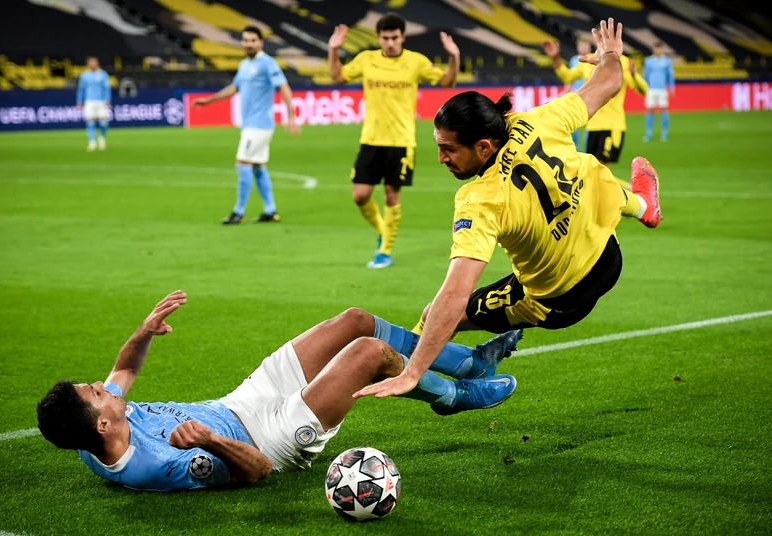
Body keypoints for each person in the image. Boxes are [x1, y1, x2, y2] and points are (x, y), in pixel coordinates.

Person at [356, 19, 662, 401]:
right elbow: (609, 82)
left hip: (559, 299)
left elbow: (455, 294)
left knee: (436, 315)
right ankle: (642, 205)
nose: (441, 158)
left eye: (449, 149)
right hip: (609, 257)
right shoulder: (539, 120)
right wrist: (612, 55)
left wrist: (413, 370)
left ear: (484, 147)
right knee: (589, 173)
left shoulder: (480, 198)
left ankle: (451, 393)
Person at [37, 290, 523, 491]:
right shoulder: (157, 464)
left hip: (240, 401)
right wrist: (211, 441)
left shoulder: (93, 430)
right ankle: (453, 397)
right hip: (271, 438)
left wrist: (143, 332)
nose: (103, 385)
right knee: (370, 353)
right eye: (96, 393)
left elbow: (124, 368)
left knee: (354, 321)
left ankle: (469, 363)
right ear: (103, 423)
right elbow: (258, 471)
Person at [327, 14, 460, 268]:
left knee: (391, 196)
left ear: (403, 37)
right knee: (360, 196)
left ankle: (385, 252)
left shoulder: (415, 61)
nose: (390, 43)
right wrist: (333, 49)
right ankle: (383, 230)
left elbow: (447, 82)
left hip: (401, 141)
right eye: (385, 38)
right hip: (371, 139)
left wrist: (454, 57)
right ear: (378, 38)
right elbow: (338, 77)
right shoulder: (366, 59)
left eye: (394, 38)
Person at [194, 26, 300, 225]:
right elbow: (234, 87)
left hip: (260, 125)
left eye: (253, 40)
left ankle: (238, 212)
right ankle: (270, 210)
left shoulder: (267, 63)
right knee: (258, 166)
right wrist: (208, 100)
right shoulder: (244, 65)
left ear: (261, 42)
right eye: (245, 40)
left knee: (242, 163)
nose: (249, 44)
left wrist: (291, 116)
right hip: (250, 124)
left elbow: (284, 87)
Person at [542, 34, 648, 189]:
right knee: (593, 173)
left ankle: (632, 193)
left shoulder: (623, 62)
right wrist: (556, 58)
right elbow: (567, 76)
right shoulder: (588, 60)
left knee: (599, 172)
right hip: (592, 126)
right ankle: (630, 193)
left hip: (612, 125)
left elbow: (643, 90)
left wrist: (633, 74)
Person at [76, 57, 111, 152]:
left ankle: (102, 137)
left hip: (101, 101)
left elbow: (107, 88)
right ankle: (92, 142)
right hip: (89, 101)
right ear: (88, 64)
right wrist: (79, 101)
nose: (93, 65)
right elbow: (81, 89)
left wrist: (107, 99)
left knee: (104, 122)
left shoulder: (103, 74)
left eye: (94, 63)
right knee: (90, 121)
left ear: (97, 64)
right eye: (91, 63)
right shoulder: (84, 75)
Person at [642, 42, 675, 142]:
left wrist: (672, 88)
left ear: (662, 49)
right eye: (656, 48)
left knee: (664, 109)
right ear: (653, 49)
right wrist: (643, 87)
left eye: (659, 48)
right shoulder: (648, 61)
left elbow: (670, 76)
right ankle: (649, 134)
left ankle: (664, 133)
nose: (658, 50)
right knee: (650, 110)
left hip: (662, 89)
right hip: (651, 89)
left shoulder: (667, 61)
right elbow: (645, 76)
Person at [566, 39, 592, 151]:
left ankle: (588, 148)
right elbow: (569, 77)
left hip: (589, 96)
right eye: (581, 46)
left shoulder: (593, 59)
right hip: (576, 96)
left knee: (589, 124)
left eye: (585, 46)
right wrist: (566, 90)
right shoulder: (573, 60)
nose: (583, 48)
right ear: (578, 48)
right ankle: (576, 147)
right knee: (573, 123)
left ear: (589, 47)